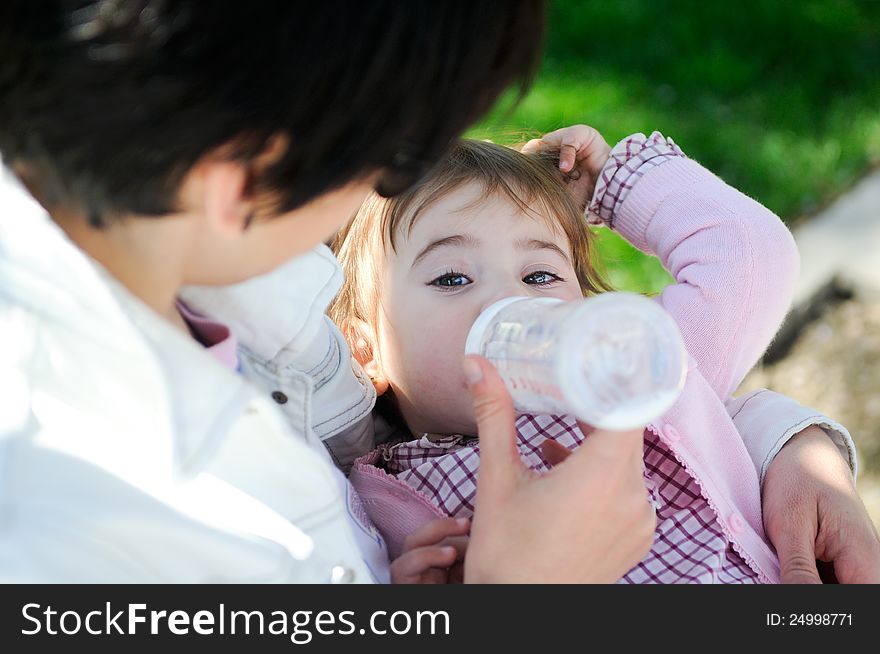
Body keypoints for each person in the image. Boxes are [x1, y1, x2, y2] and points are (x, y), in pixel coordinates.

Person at [0, 1, 876, 583]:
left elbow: (734, 291)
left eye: (542, 271)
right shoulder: (70, 527)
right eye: (392, 152)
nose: (512, 299)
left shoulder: (263, 307)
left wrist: (788, 446)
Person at [328, 131, 877, 582]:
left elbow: (749, 257)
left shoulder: (630, 369)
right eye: (452, 277)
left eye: (540, 274)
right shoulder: (387, 493)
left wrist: (613, 186)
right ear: (365, 352)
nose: (510, 300)